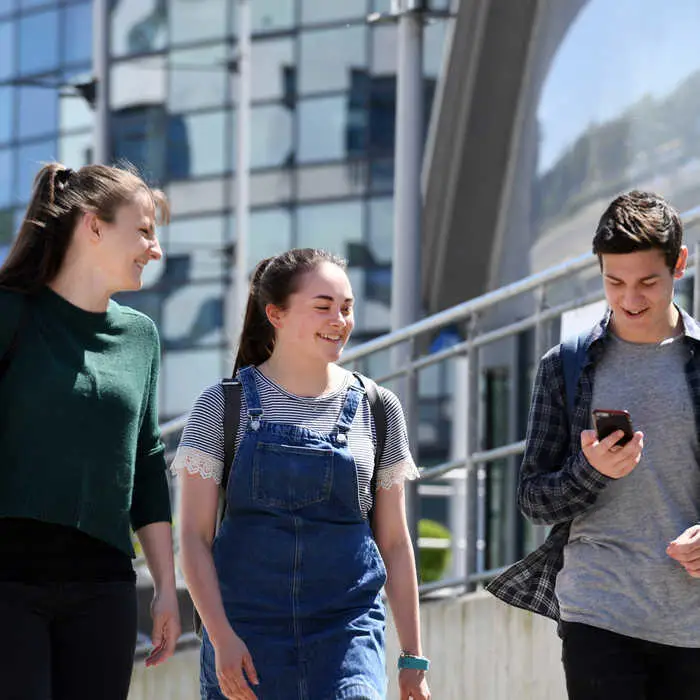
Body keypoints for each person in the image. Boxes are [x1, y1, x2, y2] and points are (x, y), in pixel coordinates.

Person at [174, 248, 431, 700]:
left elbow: (393, 540)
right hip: (246, 632)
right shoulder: (221, 406)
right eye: (323, 306)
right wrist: (221, 638)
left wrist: (412, 657)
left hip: (346, 628)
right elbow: (194, 538)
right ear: (275, 314)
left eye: (347, 308)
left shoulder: (379, 408)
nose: (340, 320)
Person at [488, 191, 700, 699]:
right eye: (614, 282)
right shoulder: (566, 365)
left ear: (681, 264)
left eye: (648, 282)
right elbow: (533, 500)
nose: (630, 299)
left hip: (691, 620)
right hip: (597, 609)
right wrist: (591, 469)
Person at [0, 163, 181, 700]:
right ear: (93, 225)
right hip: (7, 578)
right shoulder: (10, 312)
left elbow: (147, 463)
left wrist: (167, 589)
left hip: (104, 584)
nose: (155, 249)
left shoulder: (140, 337)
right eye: (144, 230)